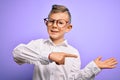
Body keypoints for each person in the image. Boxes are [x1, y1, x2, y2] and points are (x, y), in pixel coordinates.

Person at [12, 4, 118, 80]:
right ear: (47, 23)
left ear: (68, 27)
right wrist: (49, 56)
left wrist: (93, 68)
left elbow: (74, 79)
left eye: (60, 23)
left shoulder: (74, 53)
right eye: (51, 21)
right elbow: (17, 54)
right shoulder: (38, 44)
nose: (54, 25)